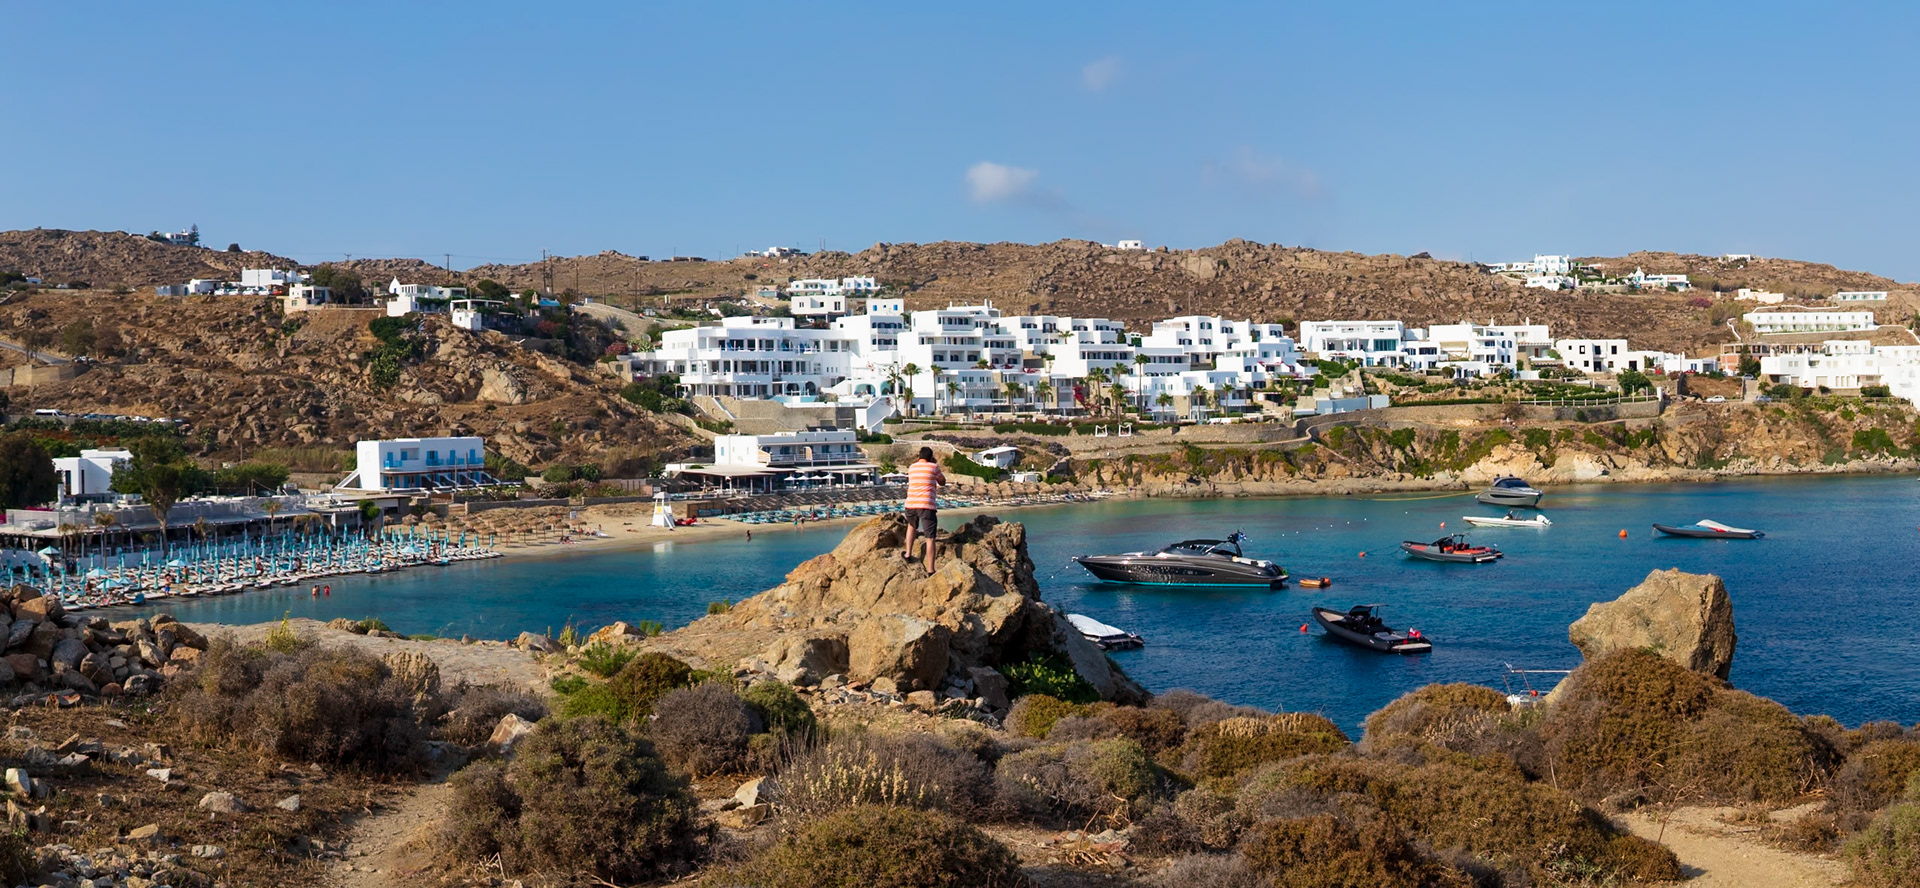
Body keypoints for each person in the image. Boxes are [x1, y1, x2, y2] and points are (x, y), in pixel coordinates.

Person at [902, 446, 945, 574]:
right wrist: (935, 466)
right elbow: (942, 481)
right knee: (930, 538)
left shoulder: (912, 467)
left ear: (918, 456)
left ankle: (908, 554)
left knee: (911, 526)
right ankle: (931, 569)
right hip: (926, 505)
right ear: (931, 457)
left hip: (911, 503)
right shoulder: (933, 467)